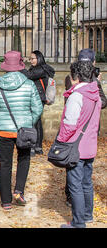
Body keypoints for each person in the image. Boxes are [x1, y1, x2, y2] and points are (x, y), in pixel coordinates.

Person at [0, 51, 43, 210]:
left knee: (5, 164)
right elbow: (37, 108)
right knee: (24, 159)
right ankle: (18, 191)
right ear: (20, 65)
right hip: (23, 130)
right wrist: (28, 123)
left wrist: (1, 123)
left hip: (3, 131)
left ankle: (5, 201)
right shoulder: (29, 84)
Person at [59, 61, 102, 228]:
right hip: (90, 146)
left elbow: (69, 124)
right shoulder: (95, 94)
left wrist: (61, 141)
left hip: (75, 148)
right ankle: (87, 215)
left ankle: (78, 222)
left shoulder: (76, 96)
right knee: (86, 183)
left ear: (74, 77)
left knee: (75, 185)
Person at [63, 48, 106, 207]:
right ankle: (76, 204)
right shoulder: (75, 79)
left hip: (85, 130)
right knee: (79, 175)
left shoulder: (77, 80)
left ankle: (80, 211)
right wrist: (97, 83)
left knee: (82, 174)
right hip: (82, 130)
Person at [21, 50, 55, 155]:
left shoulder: (42, 69)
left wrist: (19, 67)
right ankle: (36, 146)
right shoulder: (36, 69)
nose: (30, 61)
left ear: (39, 58)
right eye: (30, 59)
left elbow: (29, 75)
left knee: (35, 121)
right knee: (36, 121)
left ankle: (35, 146)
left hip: (39, 98)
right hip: (35, 98)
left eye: (32, 59)